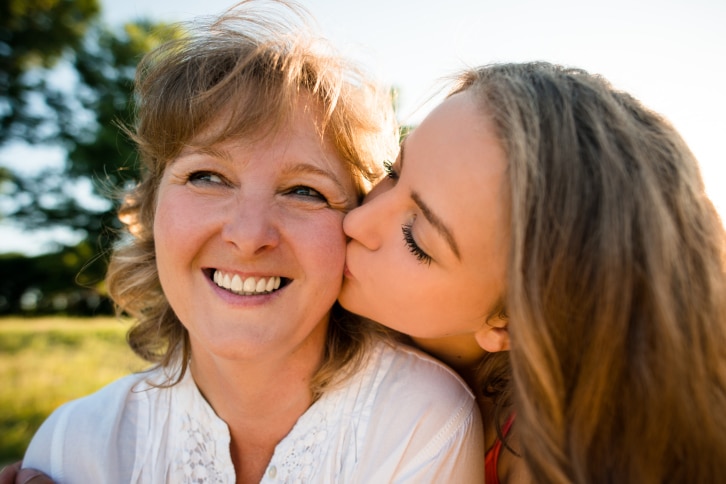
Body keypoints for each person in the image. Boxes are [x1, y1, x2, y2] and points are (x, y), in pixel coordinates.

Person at [6, 2, 484, 482]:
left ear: (355, 226)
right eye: (208, 177)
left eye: (304, 191)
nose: (250, 235)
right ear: (152, 209)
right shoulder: (74, 440)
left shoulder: (420, 420)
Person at [338, 61, 726, 482]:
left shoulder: (546, 461)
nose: (356, 222)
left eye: (417, 239)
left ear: (510, 323)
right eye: (392, 172)